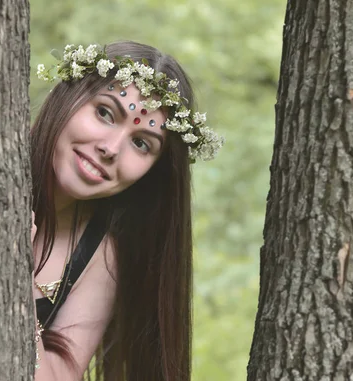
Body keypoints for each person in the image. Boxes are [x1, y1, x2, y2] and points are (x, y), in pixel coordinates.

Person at [30, 41, 223, 381]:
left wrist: (13, 278)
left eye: (141, 143)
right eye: (105, 113)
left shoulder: (100, 256)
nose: (110, 148)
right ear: (67, 97)